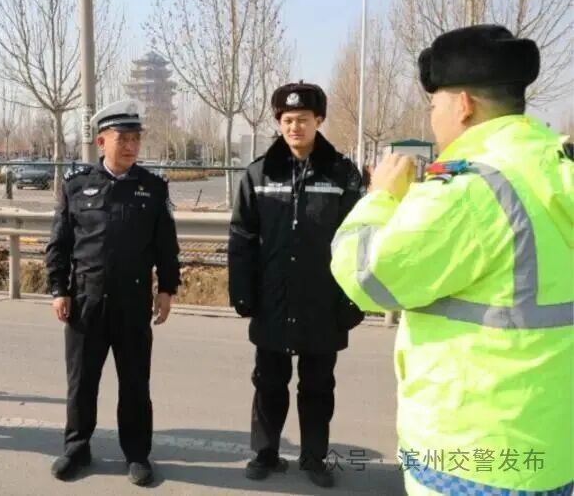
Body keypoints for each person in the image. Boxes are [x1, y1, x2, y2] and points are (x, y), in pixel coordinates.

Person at [331, 25, 573, 495]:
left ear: (463, 105)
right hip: (553, 452)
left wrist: (381, 197)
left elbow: (364, 273)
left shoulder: (473, 190)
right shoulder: (557, 168)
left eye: (432, 106)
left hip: (473, 458)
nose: (433, 119)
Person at [228, 81, 364, 489]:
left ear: (318, 120)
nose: (294, 127)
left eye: (303, 119)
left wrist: (352, 301)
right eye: (287, 120)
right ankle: (265, 453)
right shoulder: (259, 174)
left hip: (323, 302)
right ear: (279, 122)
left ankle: (314, 458)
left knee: (318, 386)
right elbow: (242, 237)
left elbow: (359, 239)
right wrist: (242, 292)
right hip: (272, 300)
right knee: (268, 382)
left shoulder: (341, 174)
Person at [45, 99, 180, 487]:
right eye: (123, 139)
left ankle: (137, 454)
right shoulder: (76, 186)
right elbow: (59, 244)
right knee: (81, 382)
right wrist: (58, 289)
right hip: (85, 302)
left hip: (133, 303)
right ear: (102, 141)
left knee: (135, 383)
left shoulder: (152, 188)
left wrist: (167, 288)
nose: (131, 146)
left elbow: (166, 246)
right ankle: (76, 449)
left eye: (136, 139)